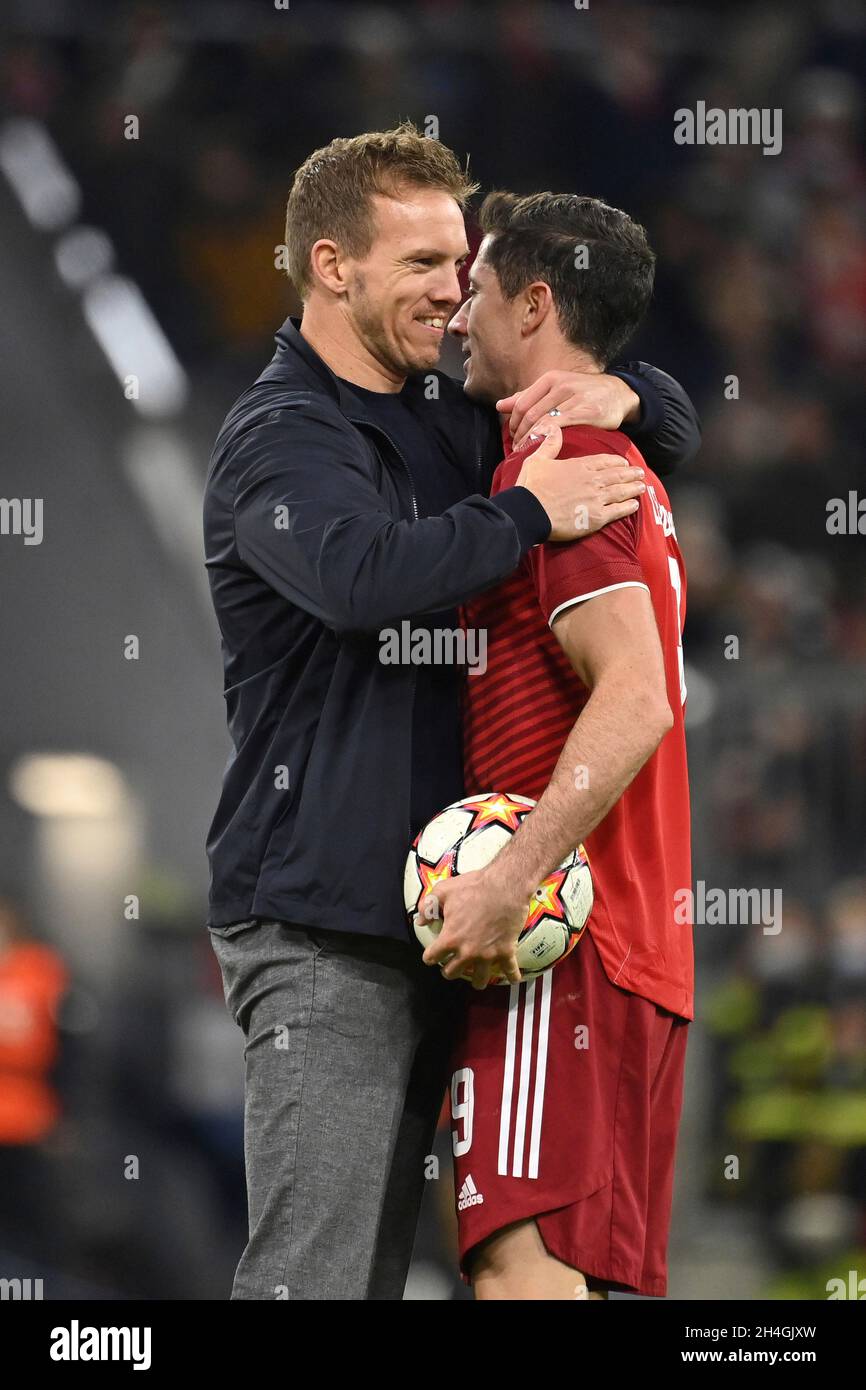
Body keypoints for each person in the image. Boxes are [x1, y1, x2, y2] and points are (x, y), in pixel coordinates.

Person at [203, 125, 700, 1300]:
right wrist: (527, 515)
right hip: (325, 935)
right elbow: (356, 577)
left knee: (446, 1271)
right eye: (424, 264)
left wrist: (631, 390)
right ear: (332, 267)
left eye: (460, 265)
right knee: (316, 1280)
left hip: (465, 927)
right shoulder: (279, 438)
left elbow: (636, 414)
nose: (450, 293)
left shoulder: (450, 411)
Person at [421, 191, 693, 1300]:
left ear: (532, 304)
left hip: (559, 947)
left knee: (514, 1272)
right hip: (629, 950)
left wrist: (510, 881)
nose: (455, 317)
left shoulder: (566, 467)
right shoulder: (612, 455)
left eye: (475, 291)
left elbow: (633, 698)